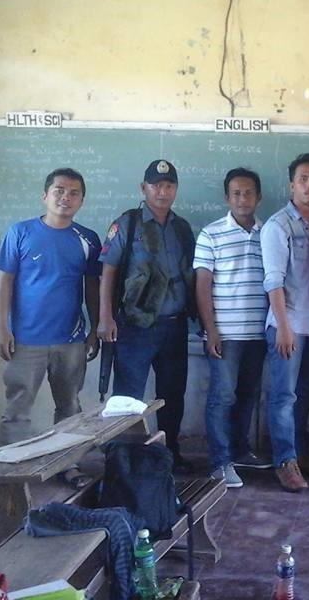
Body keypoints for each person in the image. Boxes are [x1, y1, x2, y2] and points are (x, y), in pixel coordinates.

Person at [0, 168, 101, 489]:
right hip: (25, 341)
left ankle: (69, 466)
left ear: (82, 200)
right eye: (59, 191)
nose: (65, 197)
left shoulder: (87, 239)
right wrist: (2, 327)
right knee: (17, 410)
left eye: (74, 193)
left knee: (69, 408)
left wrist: (94, 329)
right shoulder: (20, 232)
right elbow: (4, 283)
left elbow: (93, 287)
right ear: (45, 195)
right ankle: (13, 476)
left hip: (70, 341)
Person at [98, 159, 197, 471]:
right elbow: (108, 272)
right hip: (135, 327)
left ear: (176, 190)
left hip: (174, 326)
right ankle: (122, 460)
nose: (162, 191)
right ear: (144, 188)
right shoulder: (127, 224)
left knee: (172, 395)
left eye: (168, 186)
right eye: (156, 185)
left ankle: (168, 454)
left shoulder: (181, 228)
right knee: (128, 396)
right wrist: (105, 317)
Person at [261, 153, 309, 492]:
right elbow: (273, 281)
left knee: (304, 393)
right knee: (283, 396)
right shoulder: (278, 225)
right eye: (303, 178)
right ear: (292, 184)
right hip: (288, 325)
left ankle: (301, 454)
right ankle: (284, 462)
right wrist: (284, 326)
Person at [194, 168, 272, 489]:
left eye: (249, 192)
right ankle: (219, 462)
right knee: (222, 398)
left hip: (258, 333)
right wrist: (211, 330)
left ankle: (241, 450)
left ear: (258, 197)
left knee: (248, 396)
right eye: (237, 193)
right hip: (224, 334)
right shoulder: (210, 233)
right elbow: (202, 285)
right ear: (227, 197)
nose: (243, 198)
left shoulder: (269, 233)